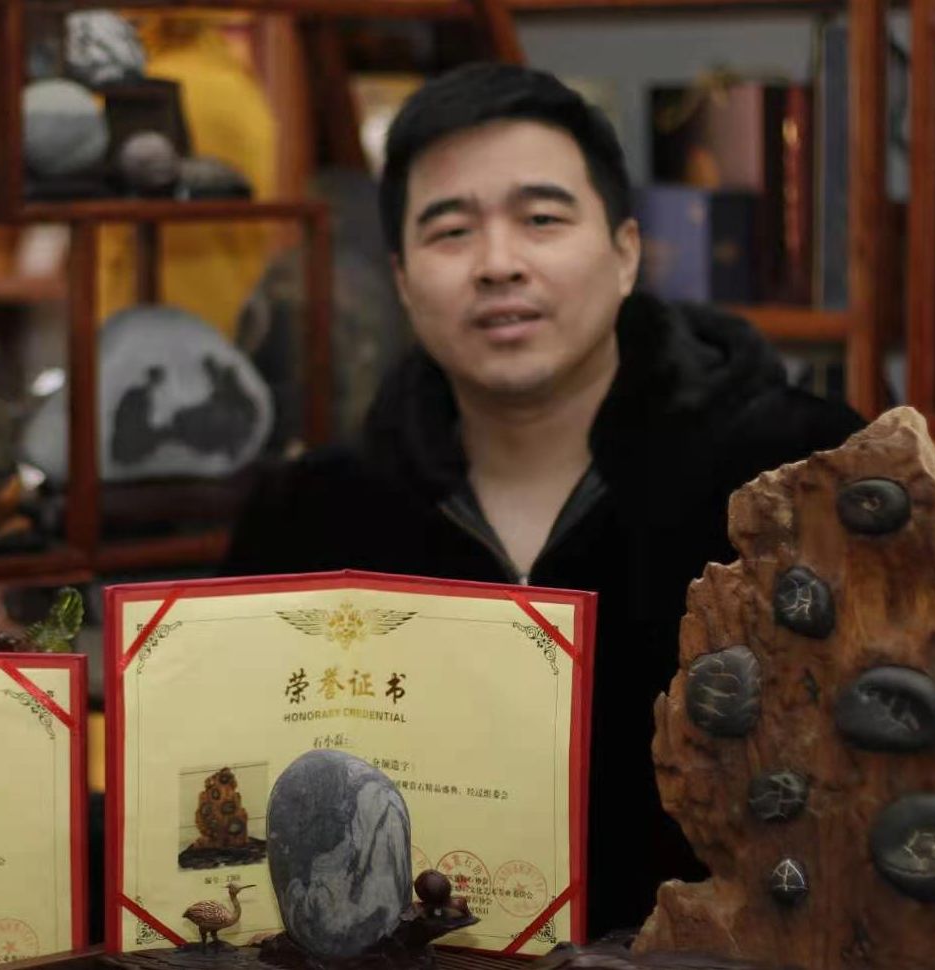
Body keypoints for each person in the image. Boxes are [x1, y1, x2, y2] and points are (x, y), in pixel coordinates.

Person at [222, 62, 864, 938]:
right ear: (404, 281)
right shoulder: (309, 520)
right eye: (452, 231)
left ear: (626, 252)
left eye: (542, 220)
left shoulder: (796, 480)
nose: (498, 265)